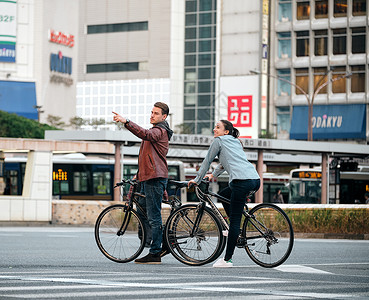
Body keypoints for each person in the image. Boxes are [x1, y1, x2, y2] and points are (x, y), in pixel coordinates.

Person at [188, 120, 260, 268]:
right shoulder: (235, 141)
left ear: (226, 131)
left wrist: (197, 180)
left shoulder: (219, 141)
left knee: (234, 220)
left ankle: (227, 260)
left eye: (218, 127)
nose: (214, 129)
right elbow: (224, 162)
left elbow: (207, 161)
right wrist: (213, 175)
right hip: (255, 179)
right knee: (224, 195)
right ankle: (232, 230)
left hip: (241, 182)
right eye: (215, 127)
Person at [113, 102, 173, 264]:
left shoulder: (159, 131)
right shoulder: (157, 131)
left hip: (154, 178)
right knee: (144, 212)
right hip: (148, 177)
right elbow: (147, 159)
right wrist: (137, 176)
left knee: (154, 217)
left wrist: (127, 122)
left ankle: (155, 253)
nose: (152, 115)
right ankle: (158, 244)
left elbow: (144, 134)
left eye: (156, 113)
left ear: (164, 117)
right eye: (151, 112)